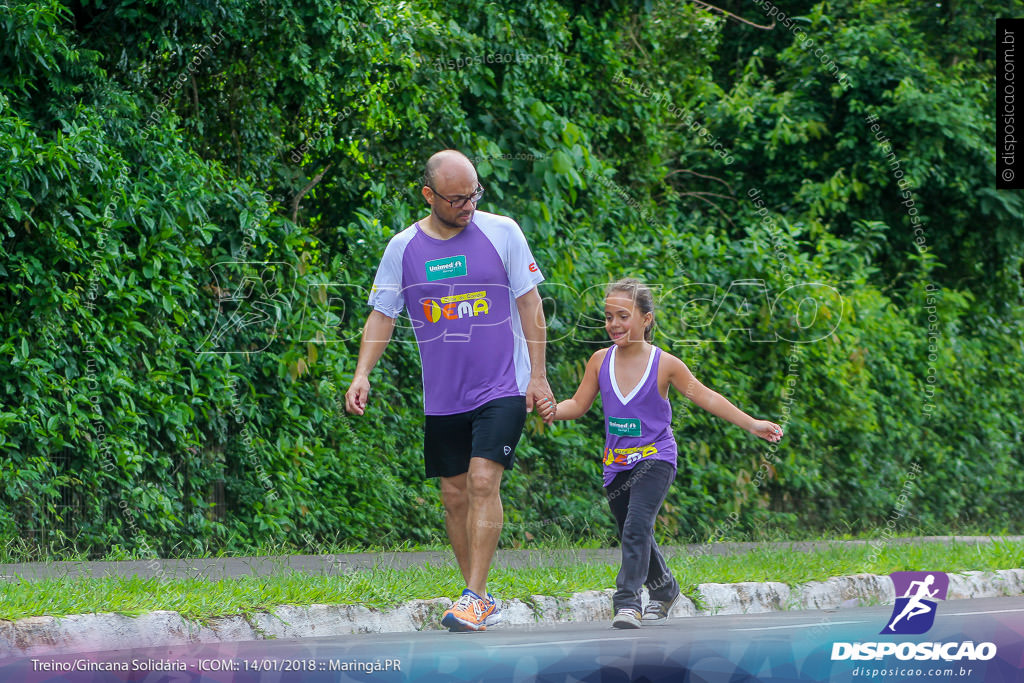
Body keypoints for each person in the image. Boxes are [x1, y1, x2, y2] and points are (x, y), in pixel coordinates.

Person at [345, 150, 554, 632]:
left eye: (474, 194)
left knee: (483, 480)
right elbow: (382, 315)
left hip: (504, 383)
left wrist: (538, 377)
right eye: (457, 199)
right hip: (443, 395)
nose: (468, 206)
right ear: (429, 195)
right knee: (454, 494)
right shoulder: (403, 248)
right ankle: (474, 595)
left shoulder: (503, 232)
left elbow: (530, 305)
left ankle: (475, 595)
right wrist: (362, 373)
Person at [540, 278, 783, 629]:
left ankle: (627, 603)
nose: (613, 325)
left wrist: (751, 423)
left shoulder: (665, 364)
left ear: (646, 319)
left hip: (656, 459)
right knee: (633, 531)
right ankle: (665, 588)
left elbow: (706, 396)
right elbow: (578, 404)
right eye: (608, 317)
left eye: (623, 316)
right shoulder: (598, 361)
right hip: (615, 465)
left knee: (637, 528)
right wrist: (552, 410)